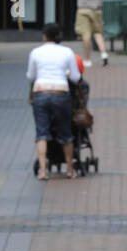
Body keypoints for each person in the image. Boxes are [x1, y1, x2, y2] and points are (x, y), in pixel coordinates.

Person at [27, 23, 82, 180]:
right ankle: (70, 169)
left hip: (41, 92)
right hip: (60, 92)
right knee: (65, 133)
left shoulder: (36, 52)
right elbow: (76, 77)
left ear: (45, 36)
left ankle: (43, 171)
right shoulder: (67, 52)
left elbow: (31, 76)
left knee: (42, 133)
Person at [73, 0, 110, 67]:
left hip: (84, 8)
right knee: (98, 32)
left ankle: (87, 60)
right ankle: (104, 53)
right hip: (97, 8)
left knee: (86, 34)